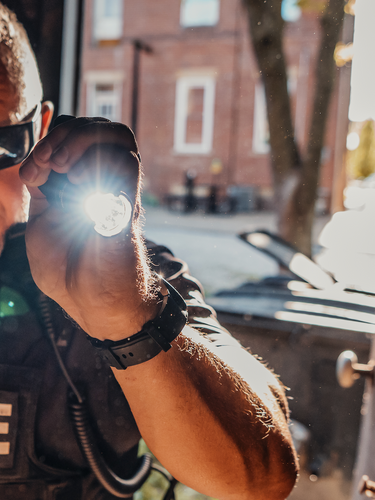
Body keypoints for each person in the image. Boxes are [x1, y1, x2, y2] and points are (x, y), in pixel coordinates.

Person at [0, 4, 298, 499]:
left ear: (41, 134)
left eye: (0, 146)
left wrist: (126, 317)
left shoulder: (104, 264)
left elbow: (262, 476)